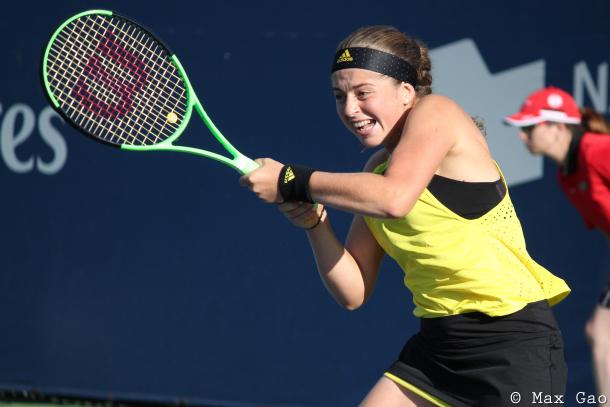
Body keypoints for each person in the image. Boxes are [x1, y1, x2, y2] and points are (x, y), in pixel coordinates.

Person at [240, 26, 571, 406]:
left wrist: (293, 180)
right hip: (436, 351)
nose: (350, 109)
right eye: (339, 96)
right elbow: (353, 291)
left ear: (407, 91)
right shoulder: (377, 169)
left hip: (512, 348)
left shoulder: (438, 111)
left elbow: (394, 200)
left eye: (363, 93)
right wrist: (316, 224)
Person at [505, 87, 610, 402]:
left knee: (602, 332)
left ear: (558, 126)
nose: (522, 136)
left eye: (530, 127)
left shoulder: (597, 150)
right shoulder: (567, 177)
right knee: (601, 332)